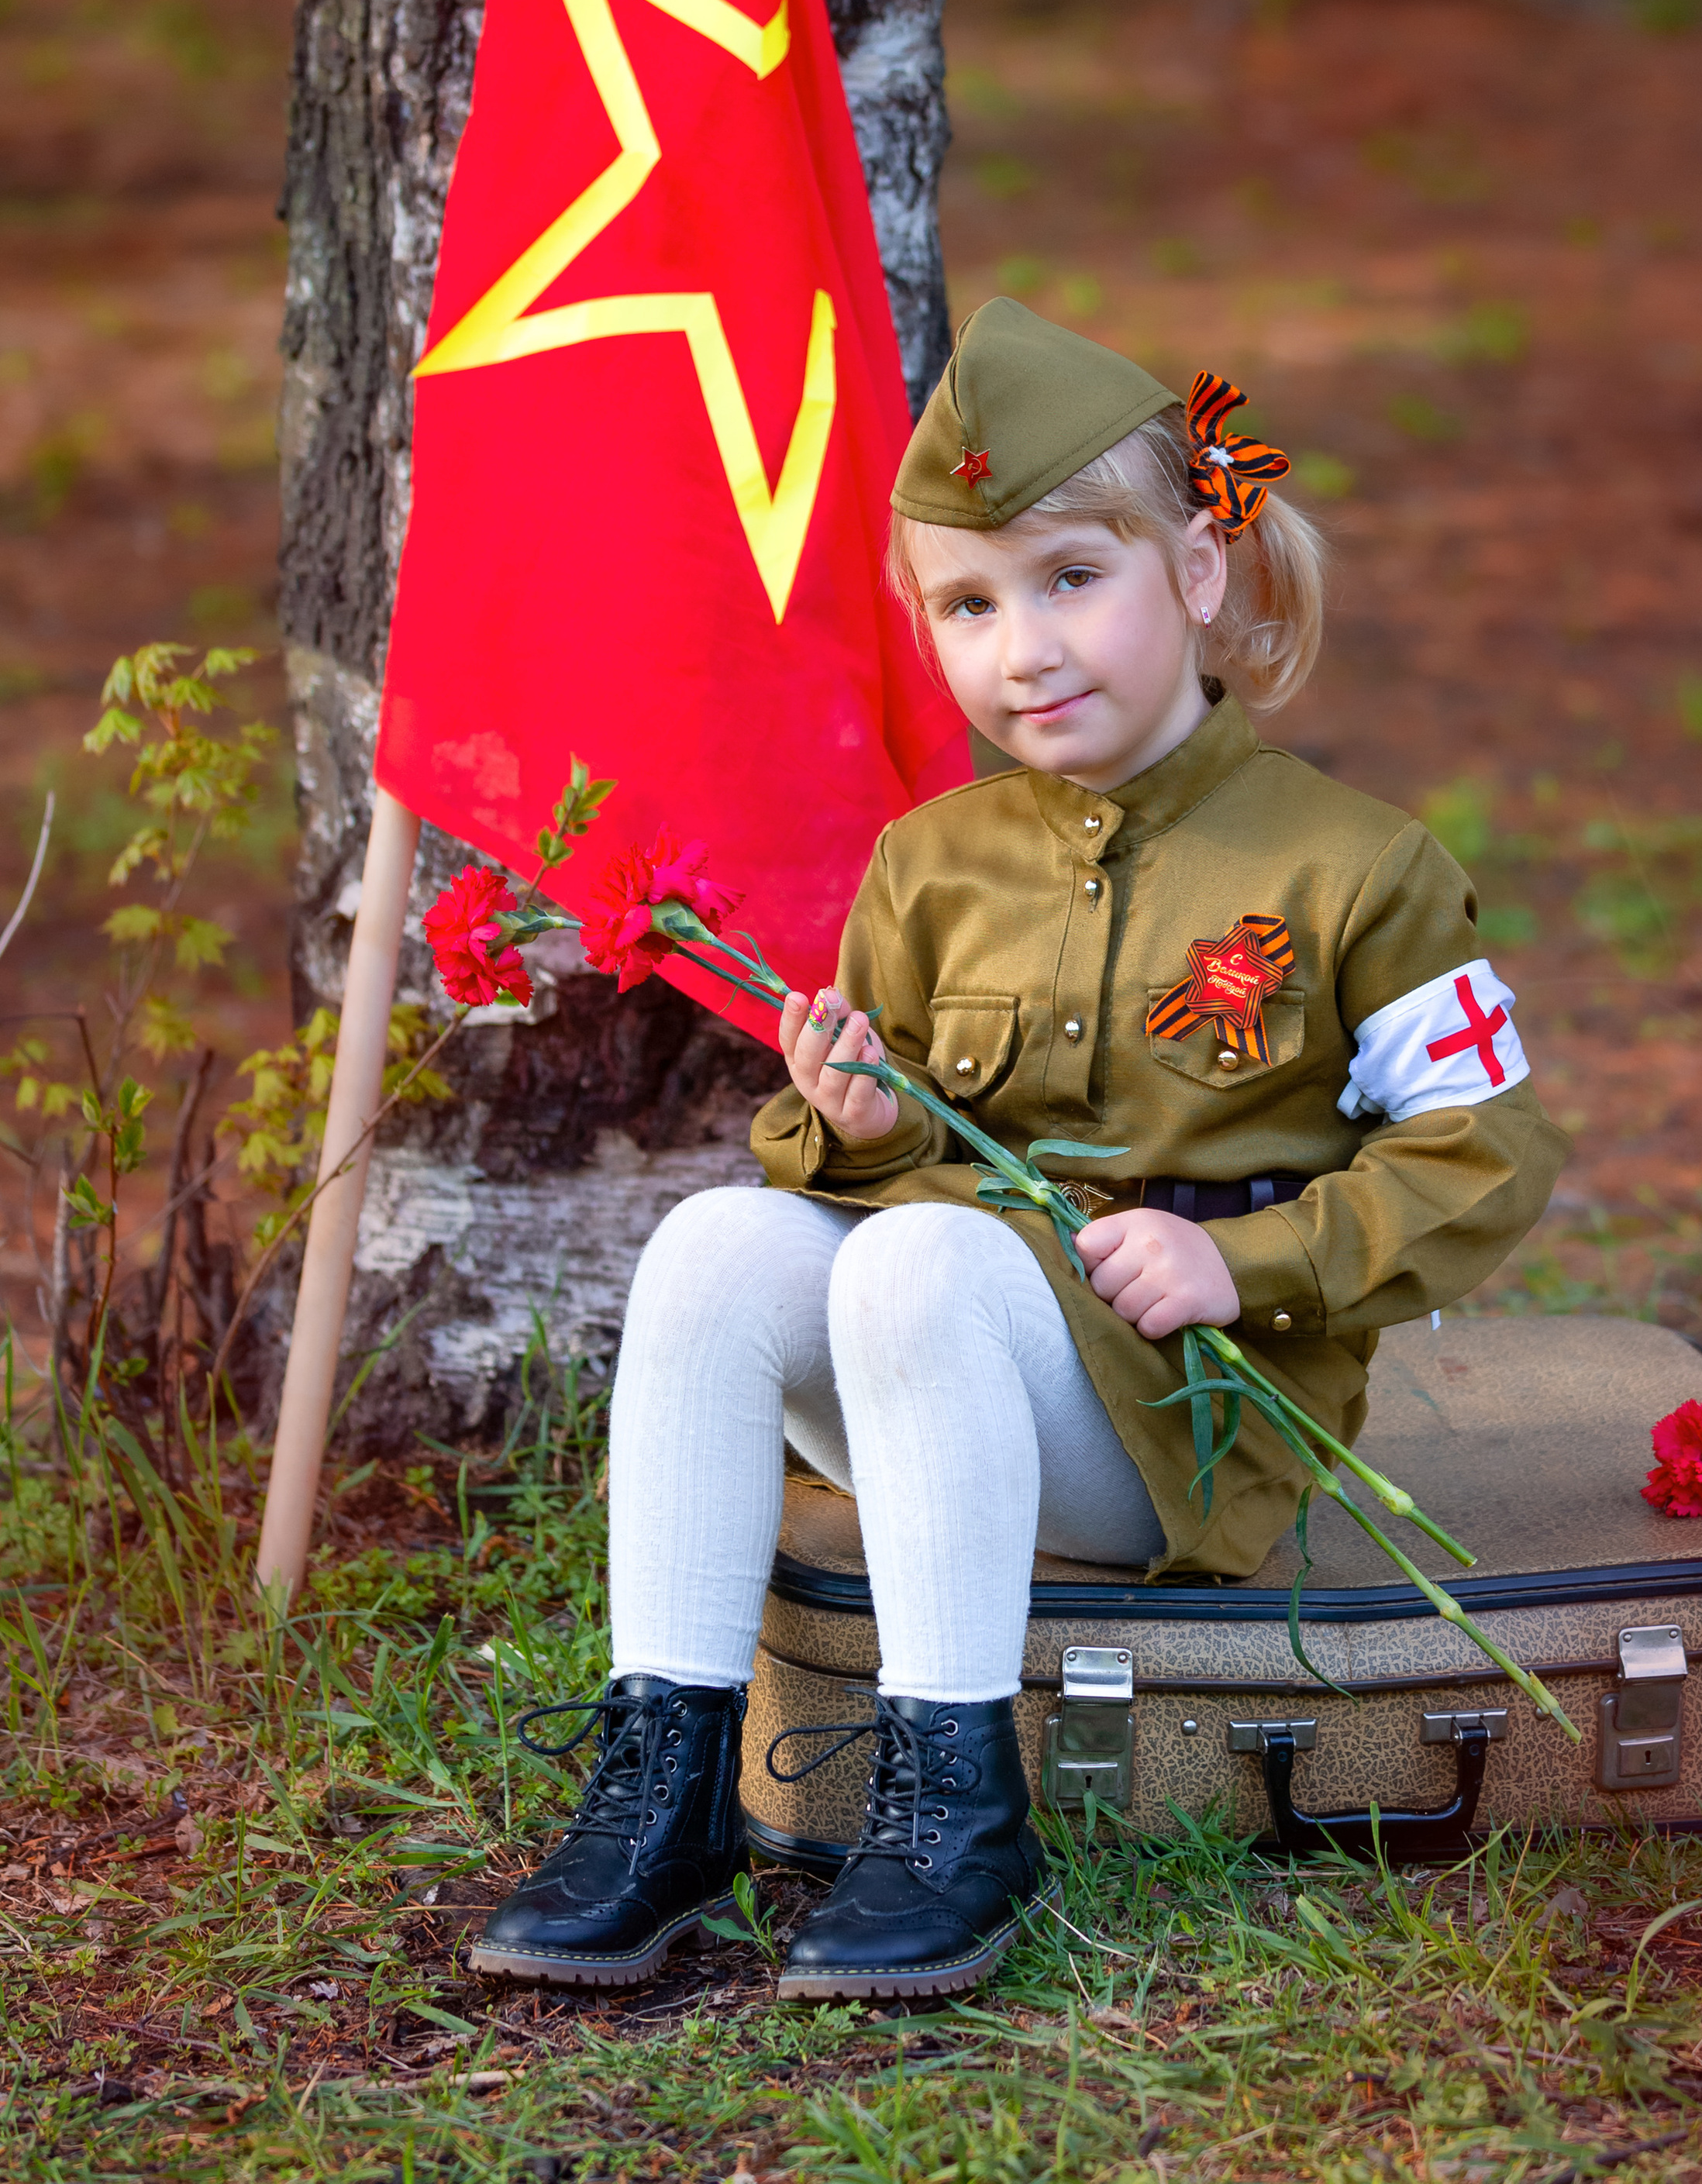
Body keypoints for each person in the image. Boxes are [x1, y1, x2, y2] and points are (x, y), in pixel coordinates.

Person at [471, 301, 1566, 2003]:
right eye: (969, 606)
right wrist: (862, 1125)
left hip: (1184, 1424)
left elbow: (1486, 1152)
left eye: (1070, 578)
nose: (1022, 649)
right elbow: (891, 1167)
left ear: (1198, 575)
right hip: (952, 1377)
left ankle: (954, 1809)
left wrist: (1241, 1259)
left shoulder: (1357, 865)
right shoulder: (929, 865)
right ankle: (665, 1788)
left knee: (917, 1259)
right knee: (711, 1243)